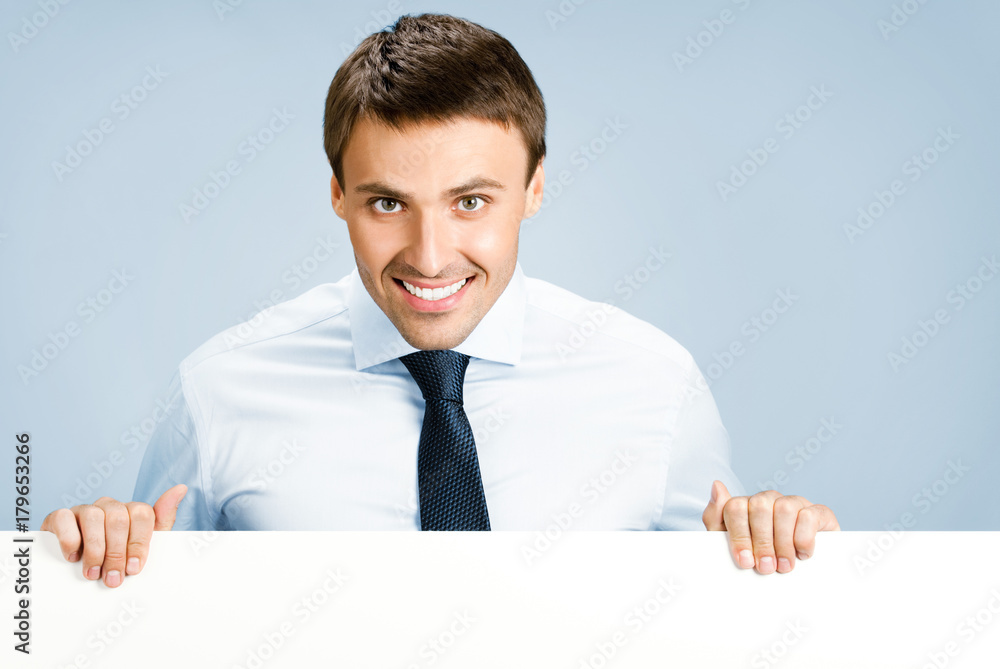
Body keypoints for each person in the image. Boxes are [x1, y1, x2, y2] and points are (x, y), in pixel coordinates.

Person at [41, 13, 839, 589]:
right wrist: (85, 559)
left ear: (534, 189)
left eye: (471, 202)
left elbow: (719, 620)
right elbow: (143, 623)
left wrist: (777, 542)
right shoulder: (220, 392)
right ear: (338, 195)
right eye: (388, 203)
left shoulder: (654, 386)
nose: (429, 256)